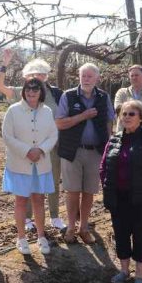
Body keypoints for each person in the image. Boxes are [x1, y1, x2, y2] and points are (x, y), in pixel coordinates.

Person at [0, 49, 65, 231]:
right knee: (27, 184)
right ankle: (27, 219)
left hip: (50, 147)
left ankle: (55, 216)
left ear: (46, 76)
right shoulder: (22, 92)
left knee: (51, 182)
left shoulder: (55, 93)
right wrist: (5, 64)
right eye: (33, 74)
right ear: (27, 77)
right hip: (25, 149)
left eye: (41, 74)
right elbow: (0, 87)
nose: (38, 77)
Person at [101, 100, 142, 283]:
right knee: (121, 234)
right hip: (118, 198)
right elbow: (103, 166)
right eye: (124, 114)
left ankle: (139, 275)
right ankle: (124, 271)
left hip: (141, 200)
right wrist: (106, 183)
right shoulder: (113, 140)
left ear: (141, 118)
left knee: (140, 235)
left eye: (131, 114)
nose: (127, 117)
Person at [55, 62, 115, 244]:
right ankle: (71, 228)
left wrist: (108, 145)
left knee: (89, 192)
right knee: (72, 191)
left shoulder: (104, 97)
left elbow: (109, 123)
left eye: (90, 76)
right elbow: (60, 123)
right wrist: (83, 115)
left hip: (95, 152)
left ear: (97, 78)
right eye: (83, 76)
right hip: (72, 151)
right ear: (79, 78)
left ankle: (84, 228)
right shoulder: (69, 96)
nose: (86, 79)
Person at [2, 78, 59, 255]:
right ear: (24, 91)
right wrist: (27, 150)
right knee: (20, 201)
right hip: (19, 163)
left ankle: (41, 236)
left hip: (40, 164)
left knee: (38, 200)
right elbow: (7, 136)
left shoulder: (47, 111)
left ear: (41, 92)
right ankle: (21, 238)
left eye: (35, 89)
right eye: (28, 89)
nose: (31, 92)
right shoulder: (13, 110)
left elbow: (53, 135)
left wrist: (41, 150)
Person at [113, 64, 142, 131]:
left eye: (137, 75)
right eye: (132, 76)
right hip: (122, 133)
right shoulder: (121, 92)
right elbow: (118, 109)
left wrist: (129, 114)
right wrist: (139, 114)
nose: (134, 78)